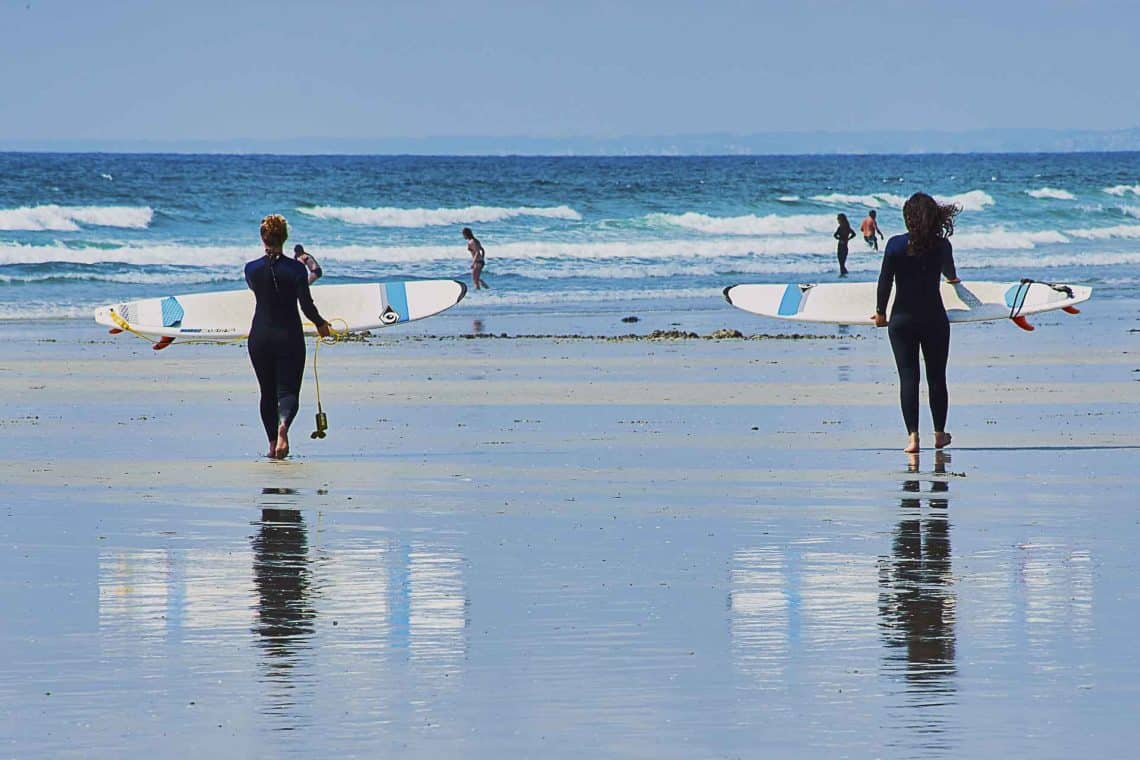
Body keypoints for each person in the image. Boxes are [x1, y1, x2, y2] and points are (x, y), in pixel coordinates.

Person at [870, 193, 961, 454]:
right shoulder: (942, 246)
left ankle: (913, 438)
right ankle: (940, 434)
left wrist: (880, 312)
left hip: (902, 321)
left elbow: (885, 280)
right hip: (934, 319)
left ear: (908, 218)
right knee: (936, 378)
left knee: (908, 378)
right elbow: (950, 272)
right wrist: (953, 281)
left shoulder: (896, 245)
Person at [245, 214, 331, 459]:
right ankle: (283, 430)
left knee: (267, 392)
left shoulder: (250, 269)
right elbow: (305, 305)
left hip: (259, 337)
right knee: (288, 391)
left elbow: (264, 289)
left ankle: (272, 443)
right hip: (288, 337)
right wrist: (320, 324)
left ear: (263, 237)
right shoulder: (296, 270)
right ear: (285, 237)